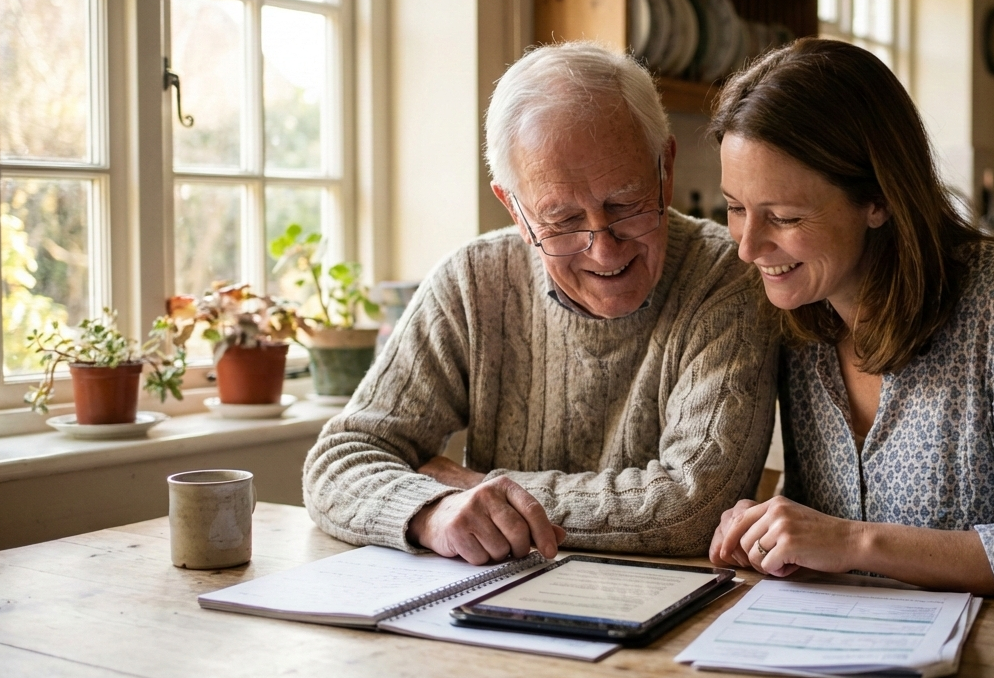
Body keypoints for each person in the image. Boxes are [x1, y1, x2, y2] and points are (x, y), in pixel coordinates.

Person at [707, 39, 994, 608]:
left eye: (785, 217)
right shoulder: (800, 319)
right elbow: (827, 523)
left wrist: (852, 542)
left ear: (877, 200)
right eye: (735, 208)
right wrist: (769, 531)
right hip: (874, 647)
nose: (747, 247)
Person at [303, 42, 778, 564]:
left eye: (624, 203)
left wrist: (477, 488)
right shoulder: (473, 281)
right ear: (514, 209)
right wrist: (431, 510)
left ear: (665, 168)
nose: (604, 249)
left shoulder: (726, 278)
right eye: (563, 220)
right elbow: (337, 462)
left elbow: (695, 506)